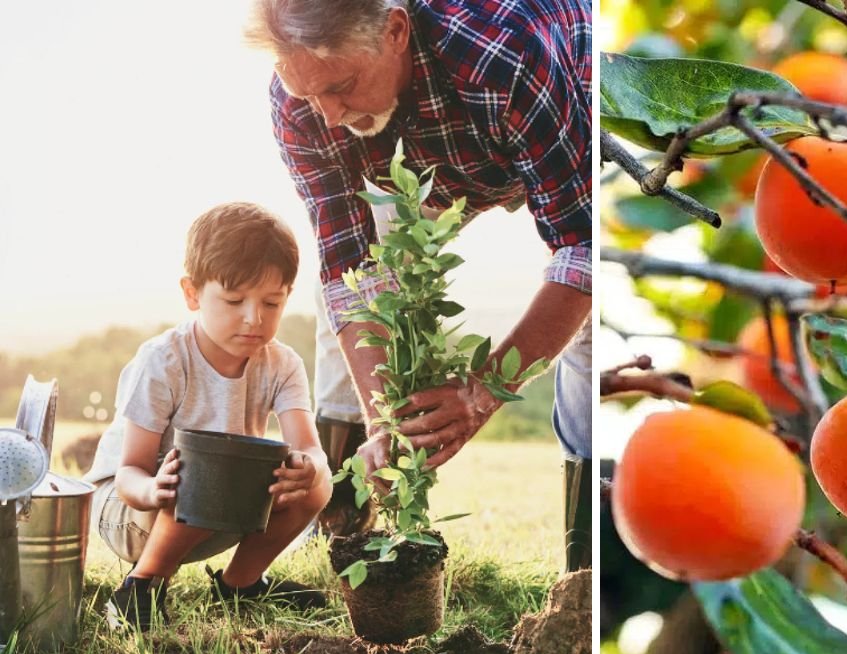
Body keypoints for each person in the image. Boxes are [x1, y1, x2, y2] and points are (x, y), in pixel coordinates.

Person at [246, 0, 593, 570]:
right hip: (419, 167)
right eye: (311, 96)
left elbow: (580, 246)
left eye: (342, 87)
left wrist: (480, 392)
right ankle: (341, 523)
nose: (328, 116)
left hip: (553, 118)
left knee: (583, 330)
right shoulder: (301, 103)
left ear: (396, 30)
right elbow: (348, 270)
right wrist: (387, 418)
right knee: (355, 304)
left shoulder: (501, 55)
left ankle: (582, 570)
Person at [83, 203, 334, 631]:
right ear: (192, 293)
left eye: (271, 303)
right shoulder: (163, 361)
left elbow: (310, 447)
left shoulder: (283, 364)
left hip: (220, 505)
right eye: (234, 300)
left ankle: (241, 584)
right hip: (133, 510)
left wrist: (309, 468)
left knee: (318, 479)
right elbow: (128, 473)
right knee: (207, 466)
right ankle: (140, 589)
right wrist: (153, 489)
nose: (254, 318)